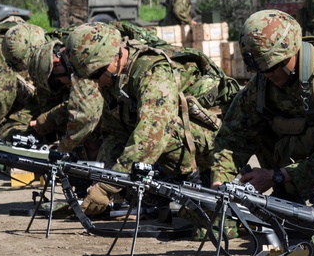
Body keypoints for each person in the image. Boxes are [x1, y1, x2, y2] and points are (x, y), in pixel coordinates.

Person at [63, 23, 232, 215]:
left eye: (96, 74)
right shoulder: (113, 79)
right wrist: (105, 177)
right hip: (183, 139)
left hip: (216, 144)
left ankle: (194, 185)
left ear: (116, 56)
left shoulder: (151, 71)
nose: (95, 81)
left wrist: (109, 185)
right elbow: (114, 134)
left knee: (160, 131)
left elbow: (152, 134)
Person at [210, 10, 314, 201]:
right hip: (308, 150)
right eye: (261, 70)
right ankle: (288, 193)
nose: (268, 75)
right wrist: (219, 181)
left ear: (292, 50)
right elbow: (232, 137)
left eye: (272, 66)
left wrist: (276, 176)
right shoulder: (263, 83)